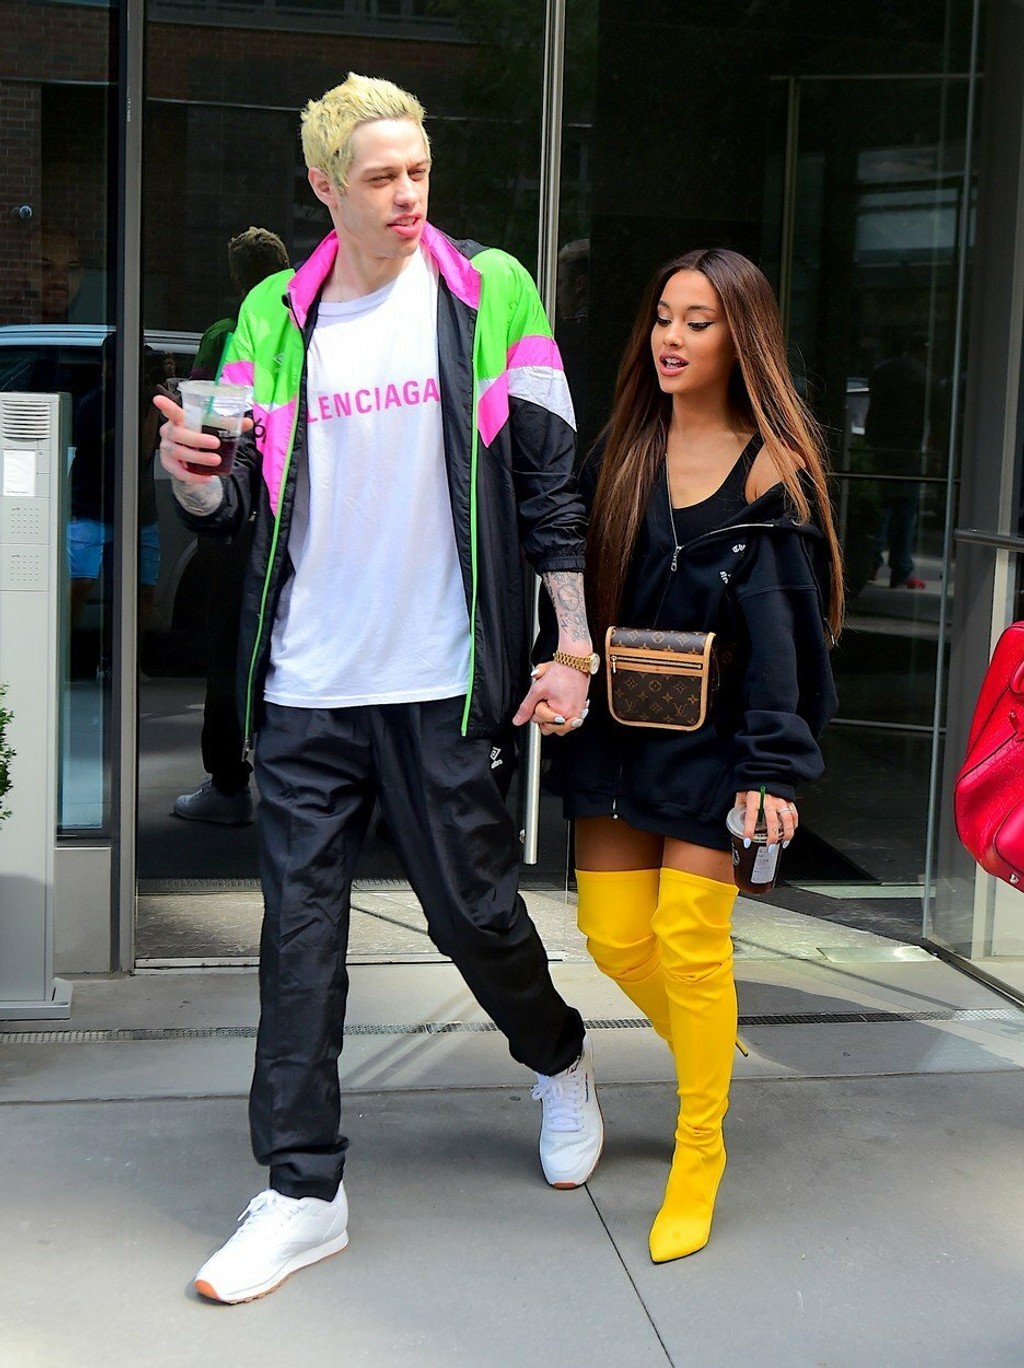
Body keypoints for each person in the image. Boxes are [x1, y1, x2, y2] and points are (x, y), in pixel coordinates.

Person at [154, 73, 603, 1305]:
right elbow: (228, 501)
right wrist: (190, 475)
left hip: (440, 680)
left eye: (419, 172)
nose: (409, 197)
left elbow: (549, 484)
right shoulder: (271, 316)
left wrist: (569, 647)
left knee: (473, 915)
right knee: (299, 940)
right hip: (306, 684)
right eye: (380, 178)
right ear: (323, 187)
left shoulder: (491, 293)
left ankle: (559, 1057)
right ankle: (303, 1191)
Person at [545, 248, 843, 1264]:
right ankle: (707, 1047)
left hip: (718, 749)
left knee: (689, 941)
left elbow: (786, 647)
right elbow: (575, 584)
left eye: (698, 322)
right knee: (611, 937)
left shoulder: (769, 473)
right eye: (663, 317)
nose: (671, 339)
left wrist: (772, 769)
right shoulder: (622, 451)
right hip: (616, 735)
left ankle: (698, 1148)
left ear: (740, 338)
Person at [173, 227, 291, 826]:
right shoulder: (316, 320)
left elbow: (210, 419)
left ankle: (227, 784)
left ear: (237, 277)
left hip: (242, 516)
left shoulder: (229, 331)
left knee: (230, 646)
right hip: (296, 516)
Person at [864, 333, 931, 590]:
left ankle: (872, 562)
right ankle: (900, 569)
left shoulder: (883, 371)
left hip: (881, 446)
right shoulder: (921, 376)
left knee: (882, 508)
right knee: (904, 510)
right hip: (907, 450)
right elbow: (936, 413)